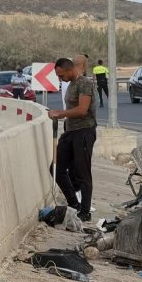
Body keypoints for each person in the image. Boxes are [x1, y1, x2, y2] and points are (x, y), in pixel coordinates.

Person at [48, 58, 97, 222]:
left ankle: (85, 212)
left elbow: (82, 110)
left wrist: (60, 114)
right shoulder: (70, 84)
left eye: (61, 75)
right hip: (70, 132)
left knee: (83, 173)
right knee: (56, 168)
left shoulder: (85, 83)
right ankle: (74, 205)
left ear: (69, 69)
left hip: (84, 132)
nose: (60, 78)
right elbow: (71, 108)